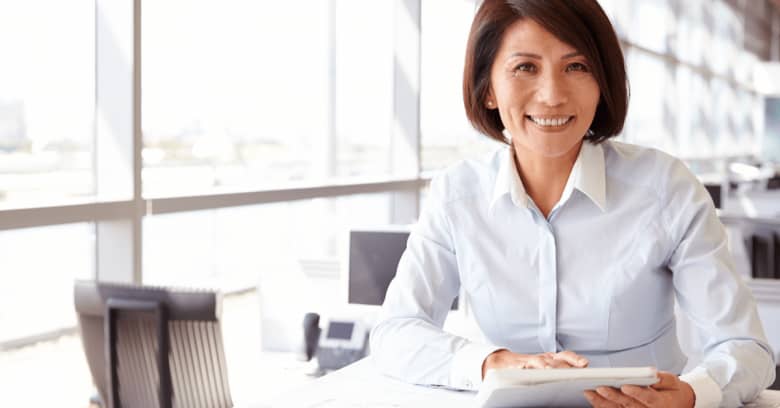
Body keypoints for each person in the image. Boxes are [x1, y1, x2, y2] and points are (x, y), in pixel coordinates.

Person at [369, 1, 776, 407]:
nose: (552, 95)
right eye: (525, 67)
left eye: (576, 66)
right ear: (488, 88)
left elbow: (746, 349)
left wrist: (691, 394)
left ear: (602, 82)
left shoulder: (666, 189)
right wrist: (493, 363)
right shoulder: (457, 195)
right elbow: (397, 331)